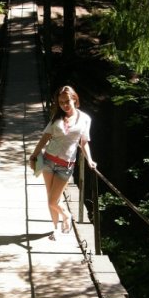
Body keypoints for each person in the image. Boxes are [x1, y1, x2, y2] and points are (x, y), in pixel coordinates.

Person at [29, 85, 97, 240]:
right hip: (48, 162)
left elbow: (84, 143)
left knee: (53, 200)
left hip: (65, 165)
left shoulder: (85, 119)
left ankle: (66, 215)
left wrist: (90, 160)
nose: (64, 105)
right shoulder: (56, 118)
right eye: (61, 102)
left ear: (75, 99)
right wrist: (34, 155)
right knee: (51, 199)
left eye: (67, 101)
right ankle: (55, 228)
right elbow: (45, 137)